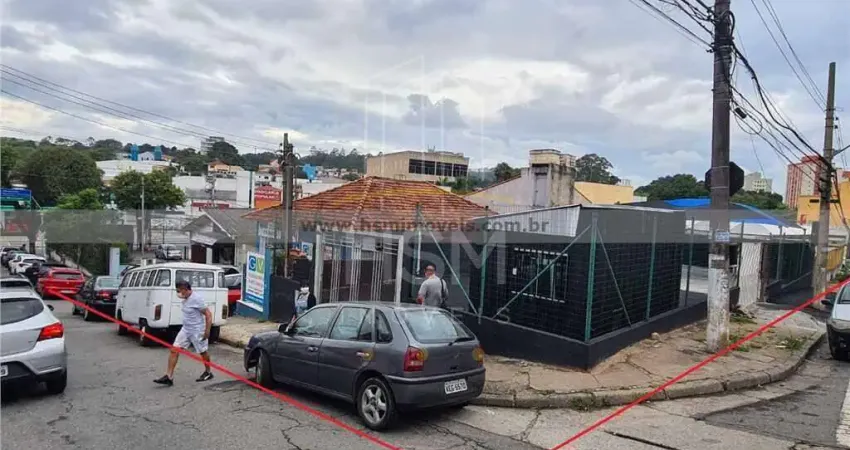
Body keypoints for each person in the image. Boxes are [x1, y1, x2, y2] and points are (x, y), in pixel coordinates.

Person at [154, 280, 214, 386]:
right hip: (186, 329)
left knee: (203, 352)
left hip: (197, 330)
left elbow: (208, 315)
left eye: (179, 291)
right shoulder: (185, 297)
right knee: (174, 350)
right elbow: (180, 296)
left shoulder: (197, 299)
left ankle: (208, 372)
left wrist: (207, 331)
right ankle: (169, 377)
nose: (178, 294)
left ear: (185, 290)